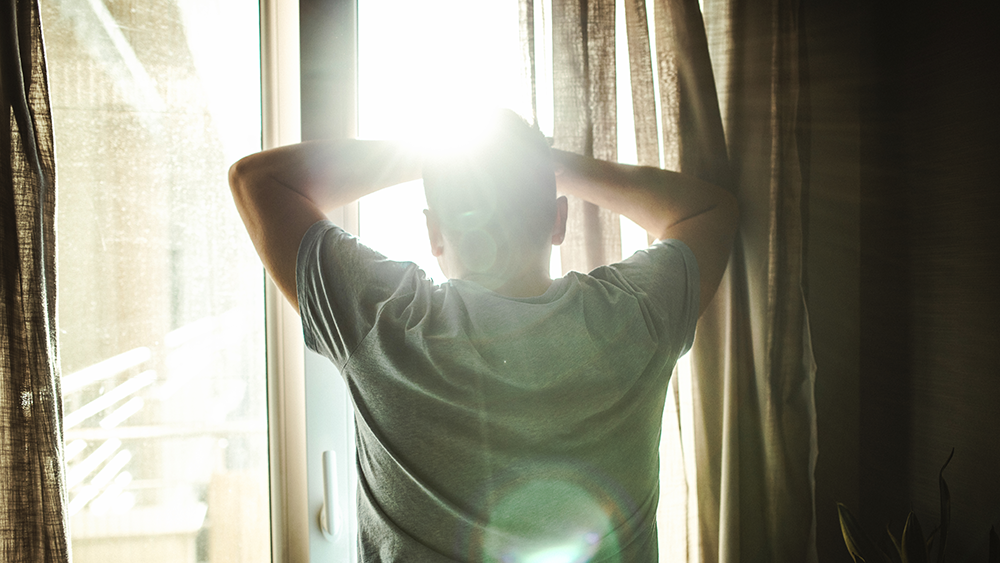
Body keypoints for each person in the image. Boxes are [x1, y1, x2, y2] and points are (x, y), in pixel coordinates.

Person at [229, 110, 738, 562]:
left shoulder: (384, 321)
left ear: (434, 231)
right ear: (559, 219)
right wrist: (549, 164)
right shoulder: (635, 316)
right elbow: (708, 210)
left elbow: (257, 179)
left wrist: (431, 158)